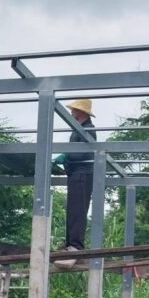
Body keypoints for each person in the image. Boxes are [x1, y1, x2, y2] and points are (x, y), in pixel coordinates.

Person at [53, 98, 96, 264]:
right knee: (72, 209)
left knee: (78, 209)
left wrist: (66, 155)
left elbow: (83, 153)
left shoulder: (88, 129)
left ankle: (76, 246)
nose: (71, 113)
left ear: (81, 112)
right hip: (76, 173)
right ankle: (70, 244)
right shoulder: (79, 129)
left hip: (82, 174)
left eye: (74, 110)